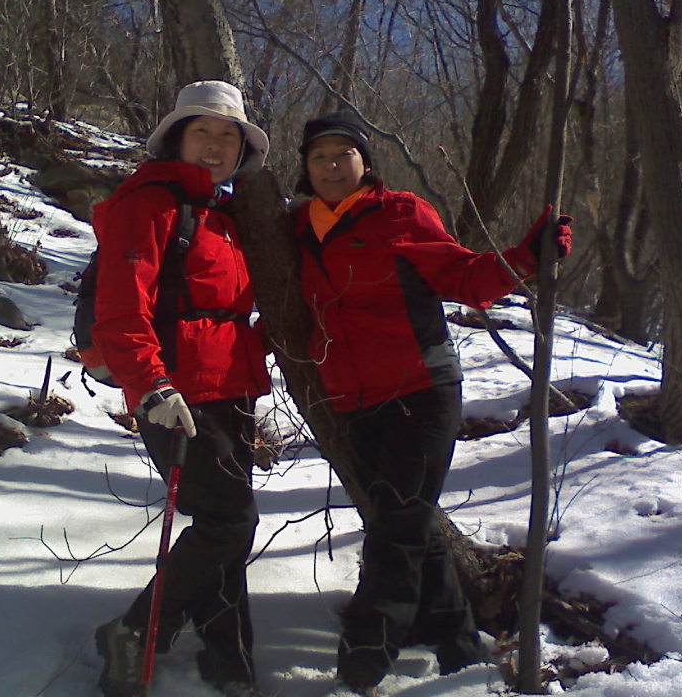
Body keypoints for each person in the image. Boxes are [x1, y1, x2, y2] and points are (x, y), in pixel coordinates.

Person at [292, 110, 573, 696]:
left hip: (420, 391)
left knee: (394, 528)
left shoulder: (400, 213)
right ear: (305, 168)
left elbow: (465, 278)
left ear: (365, 162)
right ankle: (459, 644)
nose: (330, 166)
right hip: (352, 399)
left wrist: (525, 257)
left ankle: (360, 667)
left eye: (343, 154)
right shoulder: (297, 228)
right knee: (410, 527)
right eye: (319, 156)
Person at [90, 80, 271, 697]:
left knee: (227, 522)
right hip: (175, 394)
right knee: (228, 519)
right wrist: (151, 384)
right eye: (204, 132)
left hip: (230, 389)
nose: (216, 145)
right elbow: (121, 306)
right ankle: (139, 631)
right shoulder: (152, 201)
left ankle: (229, 657)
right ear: (177, 138)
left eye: (228, 136)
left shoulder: (227, 211)